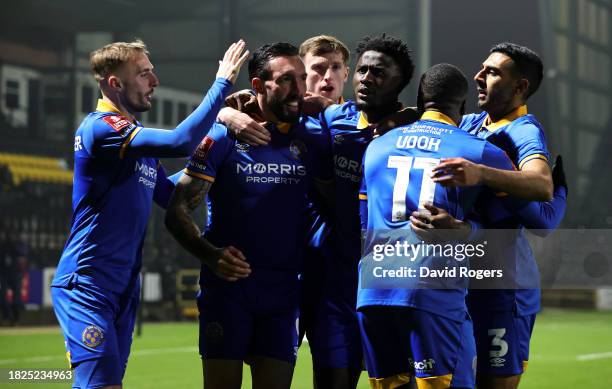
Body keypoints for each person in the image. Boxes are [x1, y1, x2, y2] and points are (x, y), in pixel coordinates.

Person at [50, 39, 248, 389]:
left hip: (123, 285)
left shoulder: (136, 149)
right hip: (88, 283)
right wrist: (221, 88)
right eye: (144, 74)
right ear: (115, 83)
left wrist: (215, 163)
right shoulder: (102, 129)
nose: (154, 81)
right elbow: (178, 142)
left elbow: (173, 194)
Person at [164, 42, 332, 389]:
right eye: (287, 80)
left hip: (285, 293)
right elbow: (177, 209)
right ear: (257, 86)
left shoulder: (313, 137)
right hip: (228, 291)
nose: (299, 89)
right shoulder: (224, 136)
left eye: (302, 79)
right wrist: (209, 255)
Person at [413, 43, 567, 389]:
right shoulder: (469, 123)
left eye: (493, 72)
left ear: (520, 87)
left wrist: (481, 174)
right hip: (460, 283)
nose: (479, 77)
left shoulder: (524, 131)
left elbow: (541, 185)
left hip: (503, 288)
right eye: (482, 69)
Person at [357, 63, 518, 389]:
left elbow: (364, 223)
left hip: (372, 291)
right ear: (462, 106)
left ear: (419, 100)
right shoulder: (481, 151)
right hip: (431, 293)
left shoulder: (375, 147)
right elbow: (508, 235)